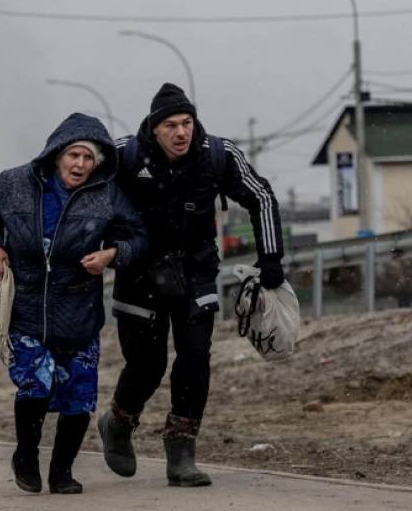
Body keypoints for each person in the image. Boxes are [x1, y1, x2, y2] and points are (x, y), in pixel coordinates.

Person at [98, 83, 284, 487]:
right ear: (154, 128)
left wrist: (270, 258)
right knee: (147, 366)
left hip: (196, 270)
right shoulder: (123, 155)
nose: (181, 132)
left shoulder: (217, 154)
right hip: (139, 271)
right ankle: (118, 422)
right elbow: (83, 195)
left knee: (195, 358)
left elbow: (261, 197)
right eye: (171, 125)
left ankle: (181, 453)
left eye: (186, 123)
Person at [0, 113, 147, 495]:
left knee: (78, 397)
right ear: (57, 155)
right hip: (26, 308)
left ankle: (62, 471)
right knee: (36, 384)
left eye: (88, 158)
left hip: (79, 311)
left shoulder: (107, 193)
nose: (80, 164)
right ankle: (25, 456)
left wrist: (111, 254)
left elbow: (138, 237)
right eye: (74, 155)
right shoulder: (15, 183)